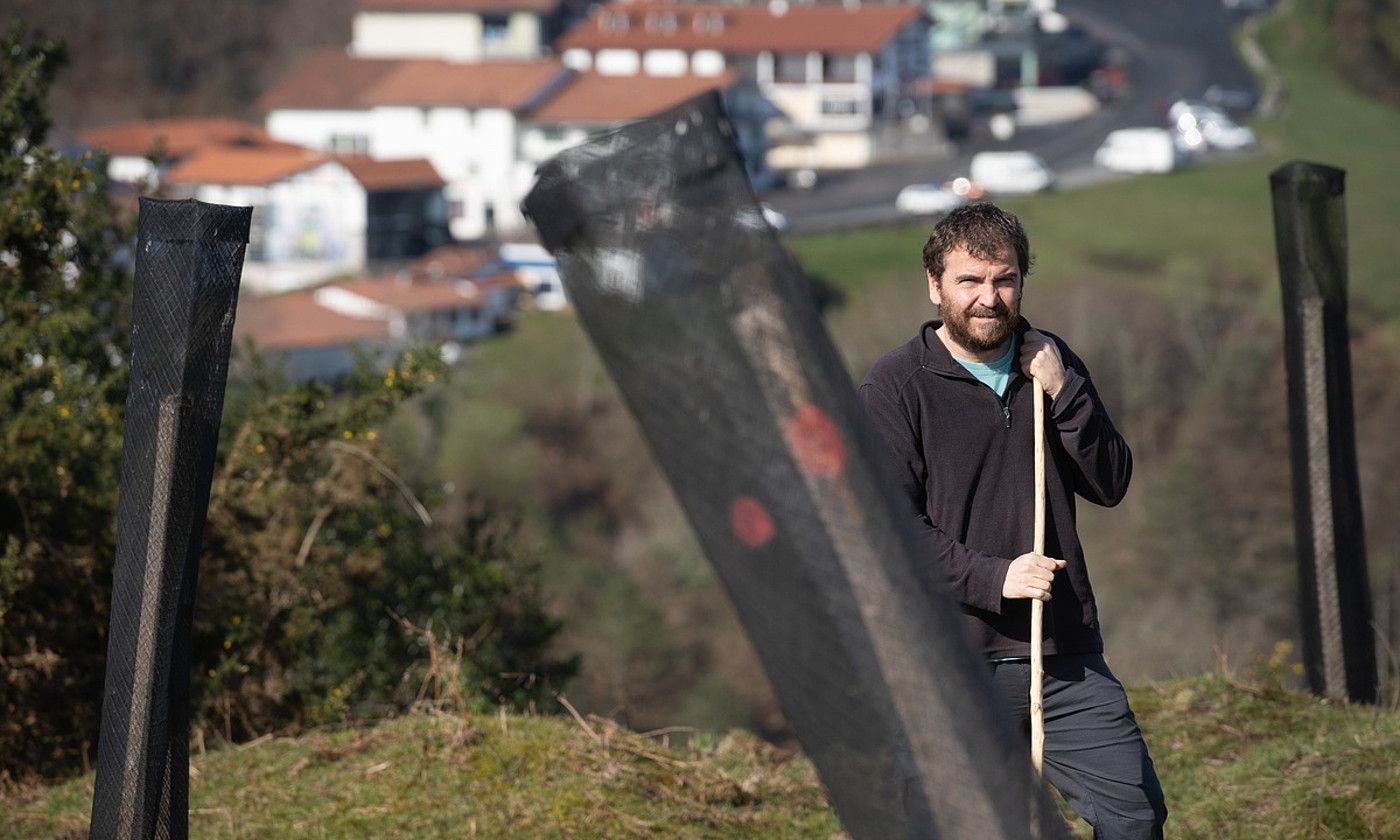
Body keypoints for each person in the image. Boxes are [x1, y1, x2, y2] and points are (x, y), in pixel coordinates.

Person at [858, 202, 1168, 839]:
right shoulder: (895, 387)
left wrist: (1064, 393)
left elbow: (1111, 482)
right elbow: (890, 533)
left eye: (1004, 279)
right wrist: (995, 576)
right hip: (949, 663)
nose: (989, 298)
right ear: (935, 285)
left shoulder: (1051, 364)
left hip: (1060, 655)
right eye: (969, 281)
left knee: (1134, 817)